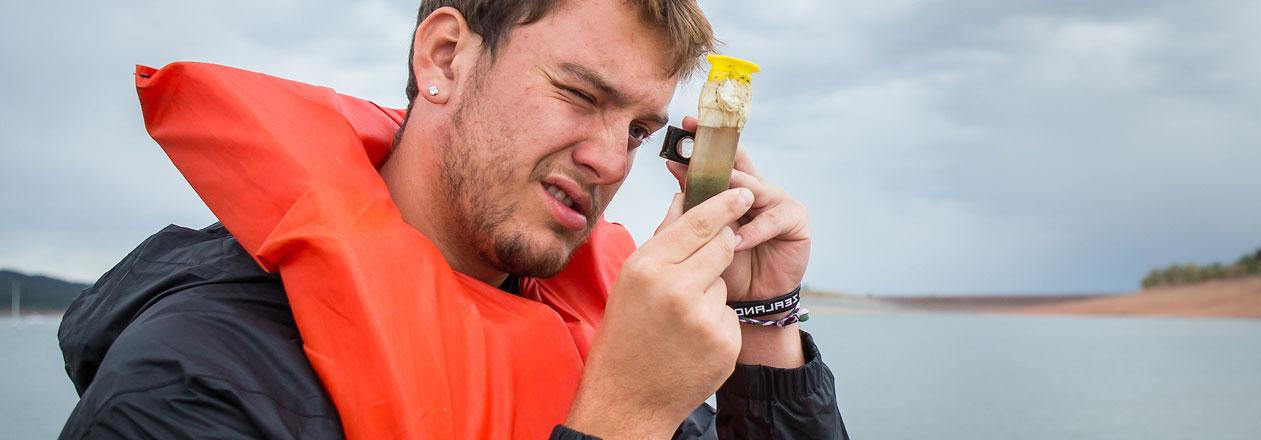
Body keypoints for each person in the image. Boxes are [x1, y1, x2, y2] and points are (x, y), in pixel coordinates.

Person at [56, 0, 847, 438]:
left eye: (640, 131)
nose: (613, 162)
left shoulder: (617, 338)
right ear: (443, 57)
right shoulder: (193, 382)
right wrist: (624, 423)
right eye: (579, 94)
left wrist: (763, 325)